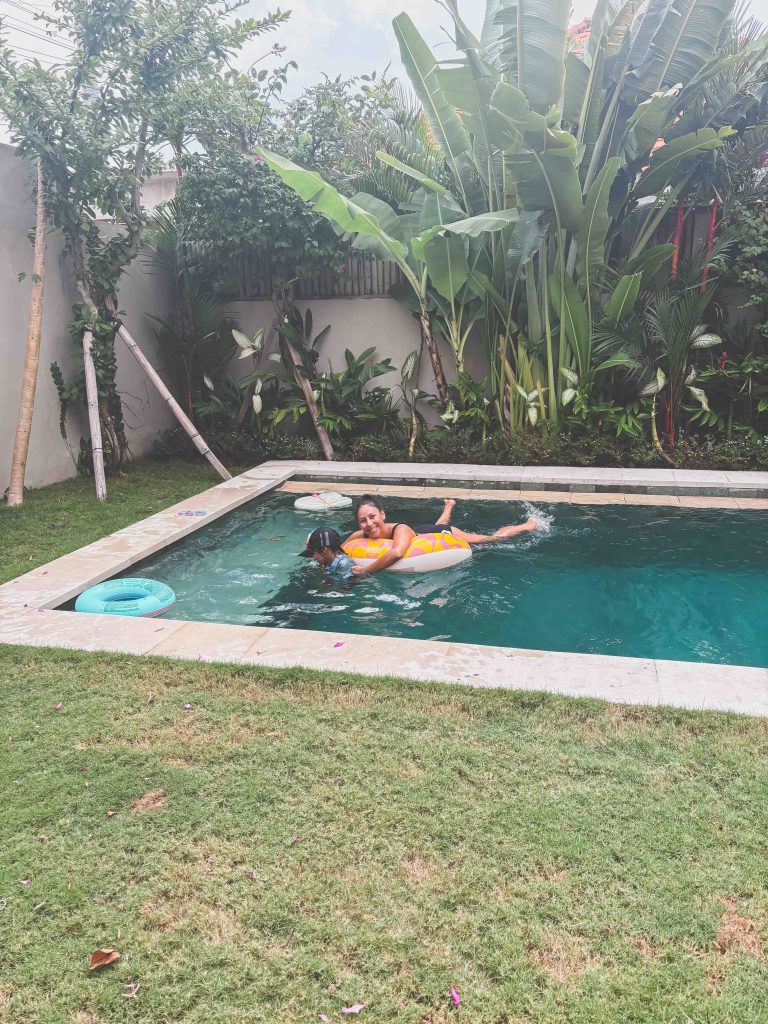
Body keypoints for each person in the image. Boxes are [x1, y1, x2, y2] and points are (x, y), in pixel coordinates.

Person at [347, 495, 539, 576]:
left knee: (489, 539)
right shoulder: (360, 534)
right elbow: (340, 549)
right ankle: (448, 505)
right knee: (437, 524)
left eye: (372, 517)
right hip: (423, 532)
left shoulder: (400, 529)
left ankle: (527, 525)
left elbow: (397, 553)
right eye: (363, 520)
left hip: (441, 535)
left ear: (382, 515)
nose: (369, 524)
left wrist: (366, 570)